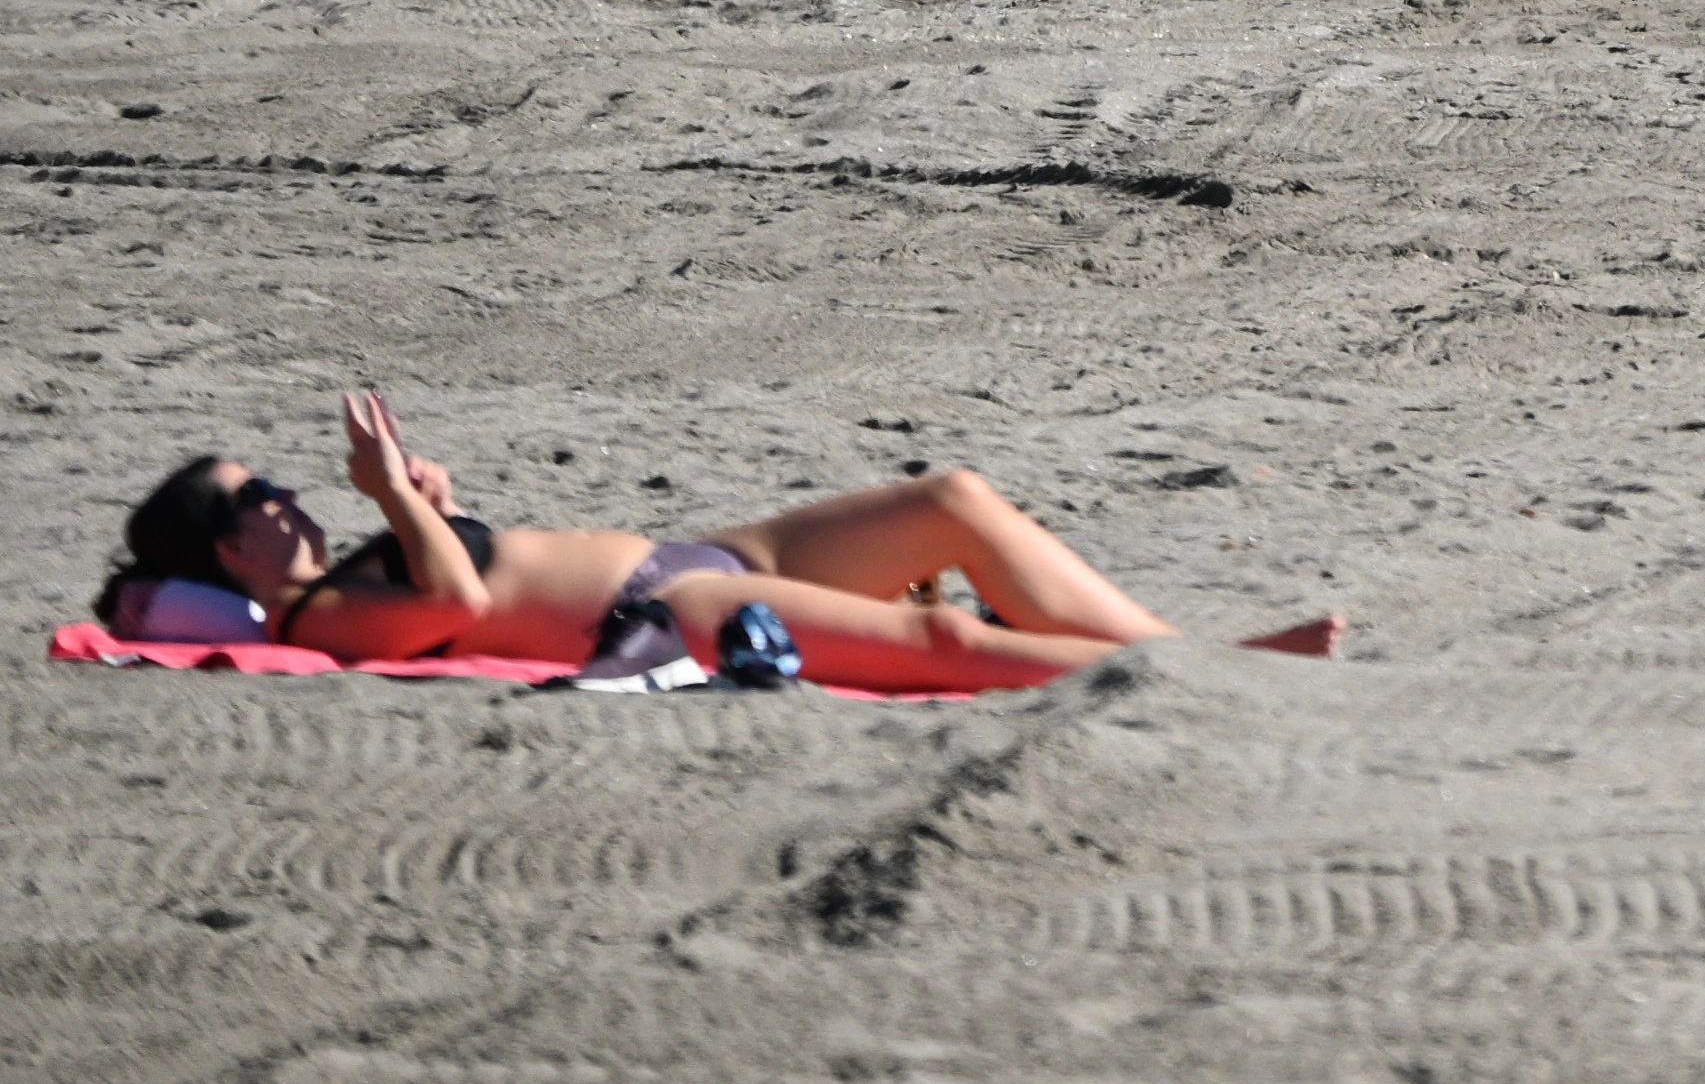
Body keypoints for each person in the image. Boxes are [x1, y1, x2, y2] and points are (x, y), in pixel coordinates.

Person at [94, 392, 1343, 694]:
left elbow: (465, 555)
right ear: (229, 560)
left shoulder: (346, 563)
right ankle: (1198, 676)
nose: (278, 502)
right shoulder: (323, 621)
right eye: (249, 504)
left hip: (714, 550)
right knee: (946, 635)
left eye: (267, 487)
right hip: (664, 620)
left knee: (955, 500)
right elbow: (453, 616)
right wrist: (401, 505)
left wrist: (426, 490)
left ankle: (1186, 652)